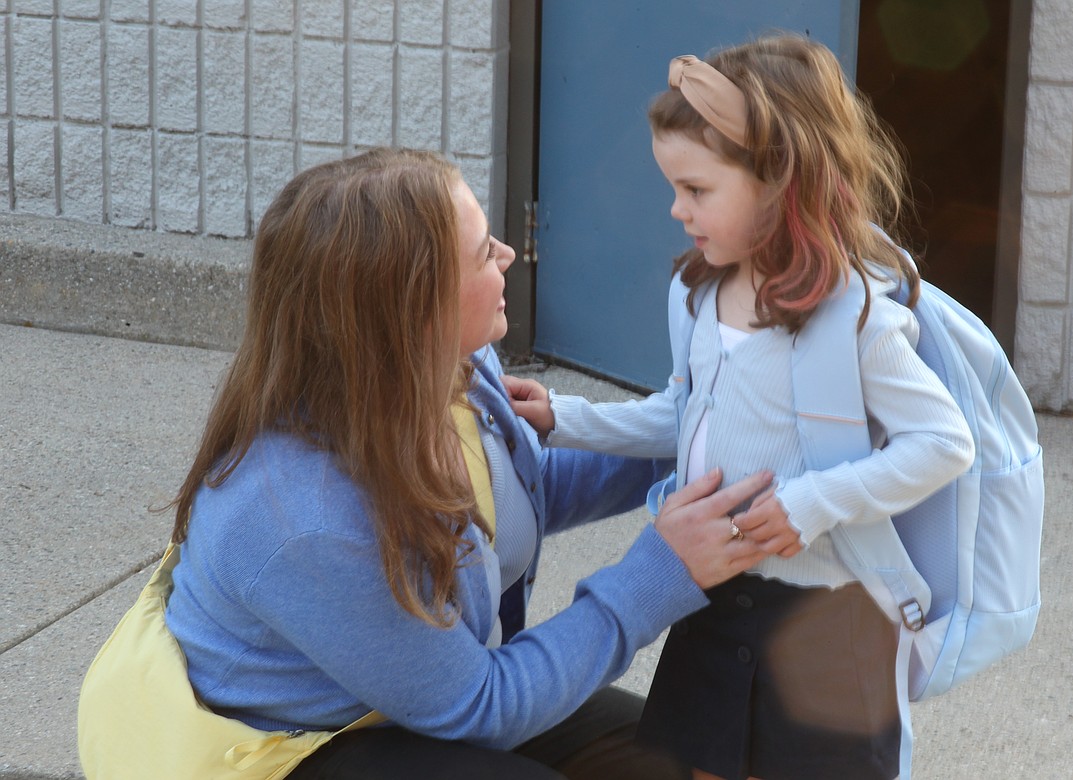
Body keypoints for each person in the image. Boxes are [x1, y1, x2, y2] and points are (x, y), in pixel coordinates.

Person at [135, 147, 794, 780]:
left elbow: (520, 492)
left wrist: (700, 440)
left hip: (417, 697)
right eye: (483, 253)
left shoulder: (453, 369)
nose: (507, 255)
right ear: (415, 309)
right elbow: (481, 707)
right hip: (292, 747)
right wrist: (662, 570)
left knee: (684, 757)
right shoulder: (305, 518)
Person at [504, 35, 976, 780]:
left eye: (696, 189)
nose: (676, 208)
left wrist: (809, 504)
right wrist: (566, 419)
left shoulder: (854, 316)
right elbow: (682, 417)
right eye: (674, 187)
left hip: (830, 615)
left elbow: (944, 443)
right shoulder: (696, 294)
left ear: (780, 180)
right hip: (713, 597)